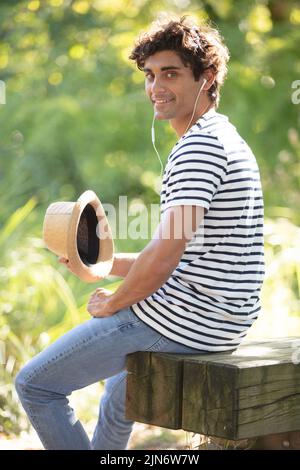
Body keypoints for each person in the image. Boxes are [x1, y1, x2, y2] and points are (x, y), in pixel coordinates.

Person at [15, 15, 264, 450]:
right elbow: (189, 252)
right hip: (224, 320)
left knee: (36, 385)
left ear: (206, 78)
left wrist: (115, 300)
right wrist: (104, 265)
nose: (156, 87)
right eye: (149, 76)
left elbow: (167, 254)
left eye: (171, 73)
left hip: (190, 320)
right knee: (117, 395)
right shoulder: (223, 136)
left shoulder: (200, 147)